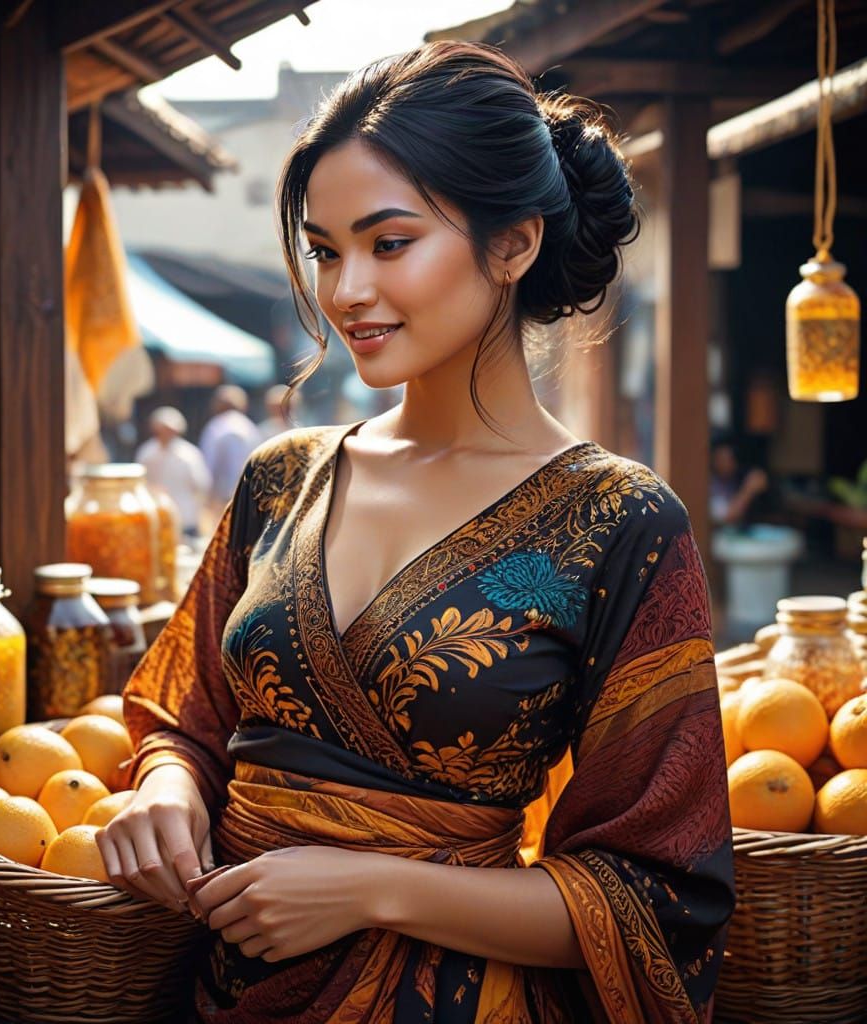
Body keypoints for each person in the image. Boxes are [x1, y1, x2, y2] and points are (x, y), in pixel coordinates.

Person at [100, 42, 734, 1023]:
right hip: (222, 986)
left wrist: (370, 886)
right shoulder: (279, 480)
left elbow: (655, 895)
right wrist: (167, 789)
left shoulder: (618, 521)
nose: (344, 290)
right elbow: (188, 713)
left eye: (387, 243)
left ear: (513, 243)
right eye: (323, 249)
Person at [135, 406, 211, 538]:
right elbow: (139, 484)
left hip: (185, 519)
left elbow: (202, 484)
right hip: (156, 519)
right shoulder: (146, 453)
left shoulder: (189, 455)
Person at [198, 385, 263, 512]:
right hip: (248, 494)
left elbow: (208, 464)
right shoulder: (249, 427)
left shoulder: (215, 427)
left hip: (222, 497)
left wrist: (207, 496)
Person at [710, 434, 769, 527]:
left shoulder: (737, 478)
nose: (726, 464)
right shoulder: (710, 484)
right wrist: (749, 489)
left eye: (730, 459)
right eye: (721, 459)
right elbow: (727, 516)